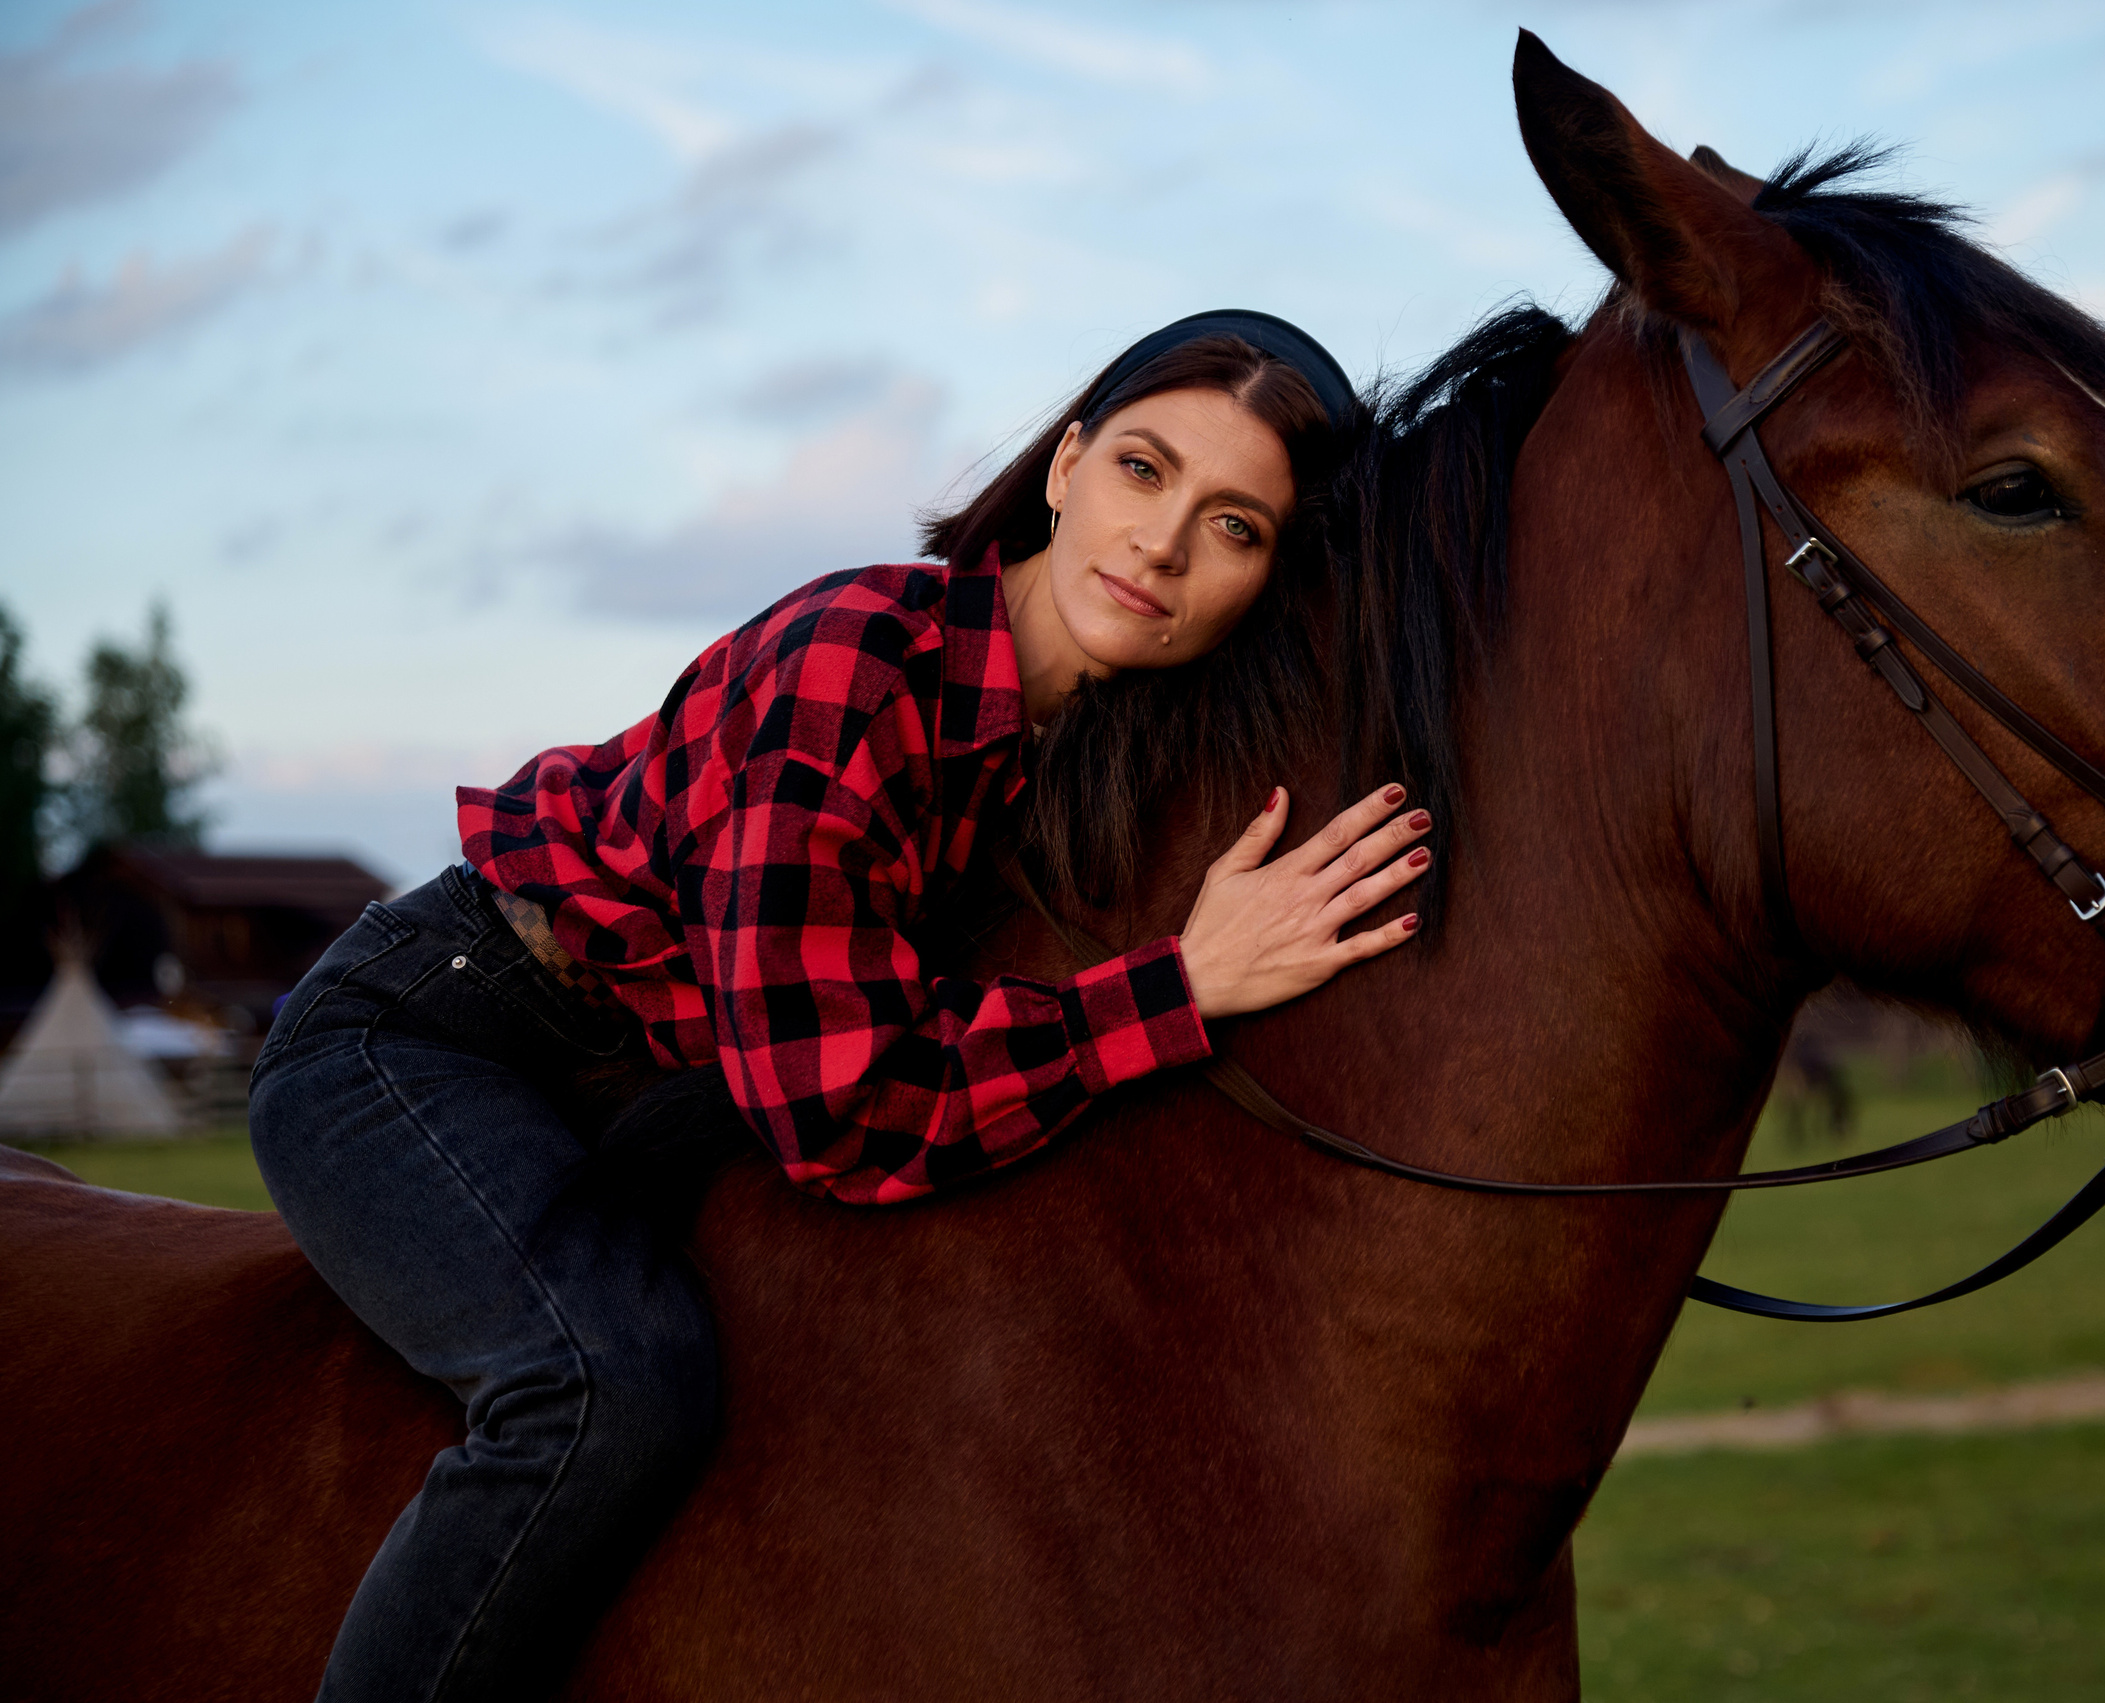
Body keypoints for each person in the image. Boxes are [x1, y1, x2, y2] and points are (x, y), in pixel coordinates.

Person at [245, 310, 1436, 1703]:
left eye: (1236, 527)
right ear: (1064, 467)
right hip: (440, 1030)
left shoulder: (1096, 759)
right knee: (606, 1386)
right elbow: (839, 1111)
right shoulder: (858, 662)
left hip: (649, 1089)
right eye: (1143, 469)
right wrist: (1181, 985)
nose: (1163, 545)